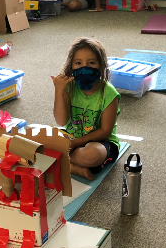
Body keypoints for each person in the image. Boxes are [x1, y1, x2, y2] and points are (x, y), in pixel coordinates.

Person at [51, 37, 121, 181]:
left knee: (91, 155)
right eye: (78, 63)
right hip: (71, 138)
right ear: (71, 66)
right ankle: (72, 167)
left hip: (100, 143)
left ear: (101, 65)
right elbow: (61, 120)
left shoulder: (109, 93)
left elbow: (105, 131)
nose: (85, 68)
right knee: (36, 138)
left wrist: (75, 143)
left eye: (91, 63)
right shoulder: (70, 88)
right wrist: (59, 91)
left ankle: (59, 162)